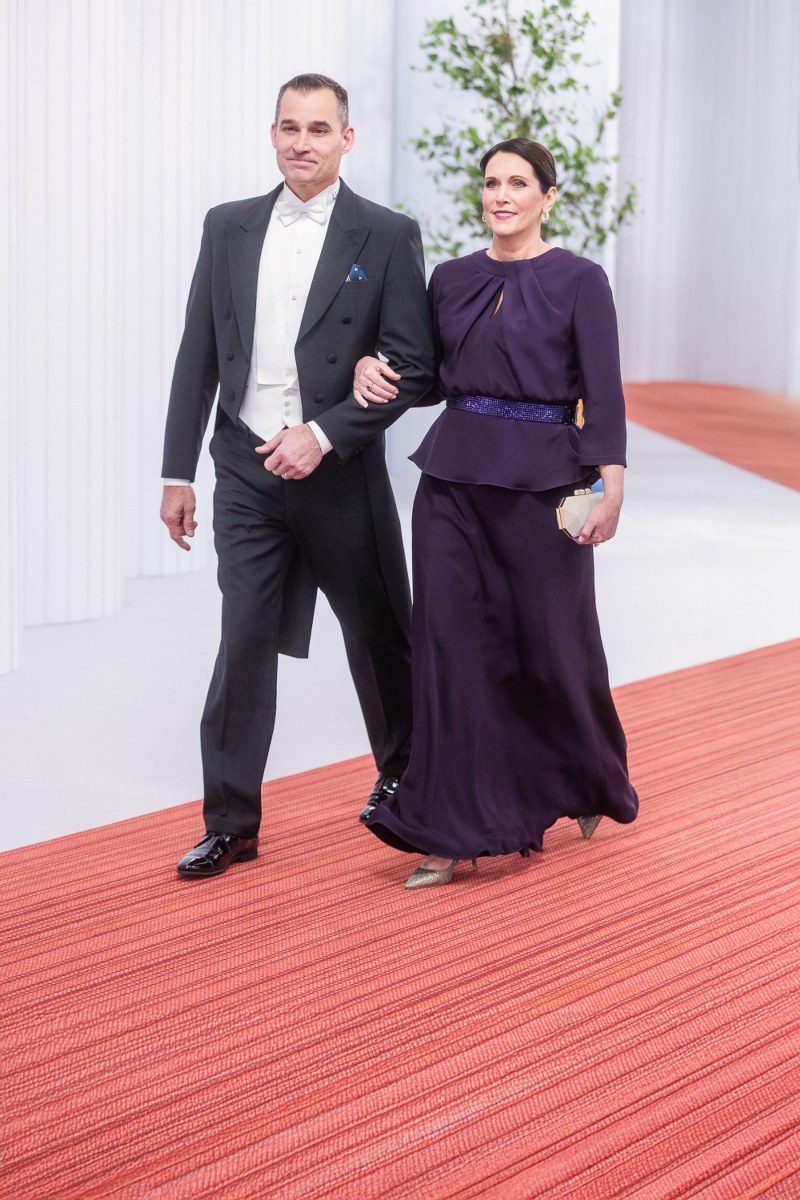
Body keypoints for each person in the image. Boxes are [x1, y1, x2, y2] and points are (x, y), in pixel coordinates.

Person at [160, 74, 434, 879]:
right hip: (245, 468)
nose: (301, 142)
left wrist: (323, 433)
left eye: (319, 129)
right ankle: (230, 822)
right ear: (272, 133)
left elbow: (414, 365)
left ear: (346, 139)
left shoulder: (386, 235)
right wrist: (177, 472)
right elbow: (198, 353)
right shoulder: (228, 225)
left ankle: (407, 782)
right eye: (289, 127)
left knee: (378, 634)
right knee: (244, 637)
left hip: (339, 471)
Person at [354, 137, 639, 888]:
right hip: (452, 480)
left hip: (546, 485)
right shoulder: (450, 278)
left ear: (548, 196)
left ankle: (585, 777)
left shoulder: (581, 280)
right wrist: (371, 366)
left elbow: (604, 390)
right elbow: (426, 377)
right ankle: (449, 825)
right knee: (448, 647)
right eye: (491, 182)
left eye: (518, 183)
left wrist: (611, 484)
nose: (501, 195)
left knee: (550, 644)